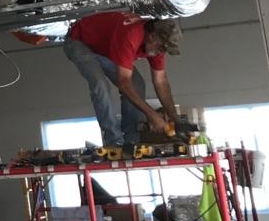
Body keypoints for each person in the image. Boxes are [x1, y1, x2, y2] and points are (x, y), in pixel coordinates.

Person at [63, 10, 182, 148]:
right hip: (80, 41)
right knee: (100, 85)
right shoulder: (131, 35)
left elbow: (160, 81)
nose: (161, 52)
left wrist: (176, 119)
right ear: (152, 36)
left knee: (137, 84)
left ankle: (131, 140)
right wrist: (152, 115)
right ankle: (114, 141)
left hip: (106, 49)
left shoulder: (157, 47)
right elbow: (124, 82)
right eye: (161, 48)